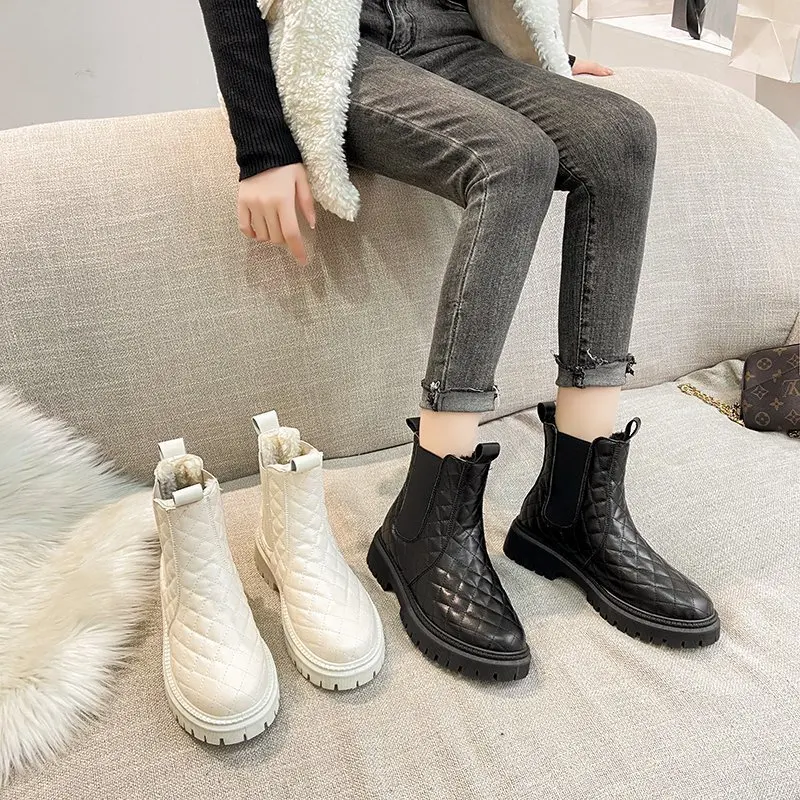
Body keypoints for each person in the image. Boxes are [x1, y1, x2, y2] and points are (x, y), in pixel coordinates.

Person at [198, 0, 720, 682]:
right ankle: (426, 522)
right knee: (514, 158)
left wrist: (548, 62)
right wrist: (262, 145)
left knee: (620, 133)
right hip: (349, 42)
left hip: (457, 32)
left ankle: (574, 506)